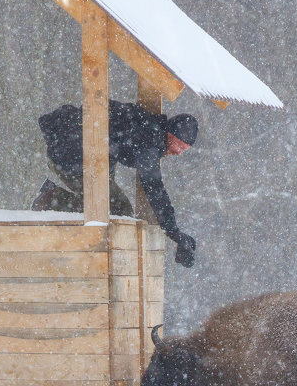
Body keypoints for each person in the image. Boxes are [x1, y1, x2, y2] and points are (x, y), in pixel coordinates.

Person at [34, 100, 198, 267]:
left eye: (183, 150)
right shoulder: (151, 141)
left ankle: (54, 199)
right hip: (72, 153)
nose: (178, 152)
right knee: (119, 209)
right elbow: (155, 189)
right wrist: (174, 232)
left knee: (114, 206)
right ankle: (51, 199)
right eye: (179, 145)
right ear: (170, 134)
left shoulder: (151, 129)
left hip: (90, 153)